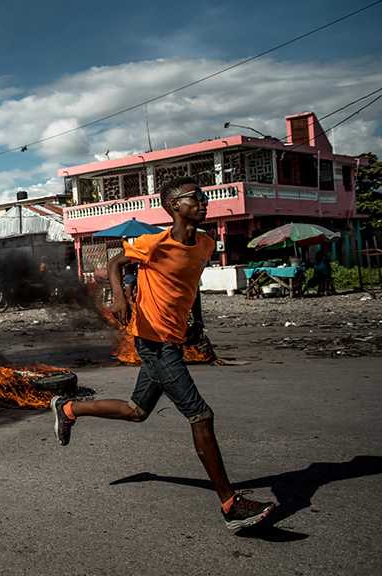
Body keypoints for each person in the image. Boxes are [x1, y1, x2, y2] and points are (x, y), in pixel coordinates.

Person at [51, 177, 276, 531]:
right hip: (152, 341)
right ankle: (231, 506)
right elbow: (114, 264)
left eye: (203, 197)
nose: (204, 202)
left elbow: (190, 288)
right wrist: (120, 297)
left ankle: (67, 408)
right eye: (195, 198)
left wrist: (197, 327)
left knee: (137, 411)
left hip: (172, 337)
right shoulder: (154, 242)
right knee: (201, 415)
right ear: (174, 206)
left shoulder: (204, 243)